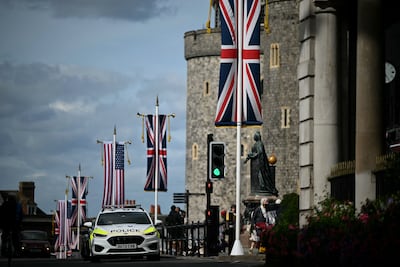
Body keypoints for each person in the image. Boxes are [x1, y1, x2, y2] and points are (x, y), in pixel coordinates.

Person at [244, 131, 279, 196]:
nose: (254, 137)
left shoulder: (259, 144)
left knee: (261, 177)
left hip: (260, 164)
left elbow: (260, 152)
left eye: (255, 135)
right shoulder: (257, 143)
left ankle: (264, 188)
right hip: (256, 164)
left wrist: (251, 155)